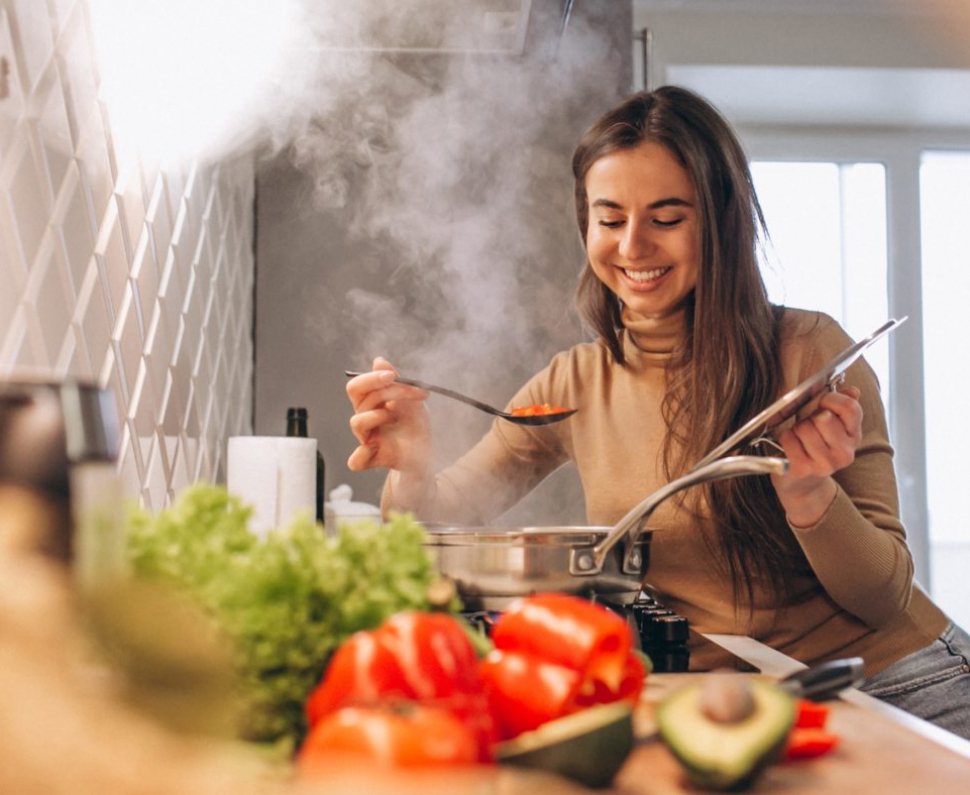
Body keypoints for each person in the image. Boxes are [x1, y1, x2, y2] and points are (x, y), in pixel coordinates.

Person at [345, 85, 970, 740]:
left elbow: (884, 596)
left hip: (896, 683)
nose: (633, 245)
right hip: (737, 702)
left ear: (721, 222)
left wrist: (810, 493)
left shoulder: (808, 353)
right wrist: (412, 466)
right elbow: (441, 517)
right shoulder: (574, 381)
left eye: (667, 218)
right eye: (610, 219)